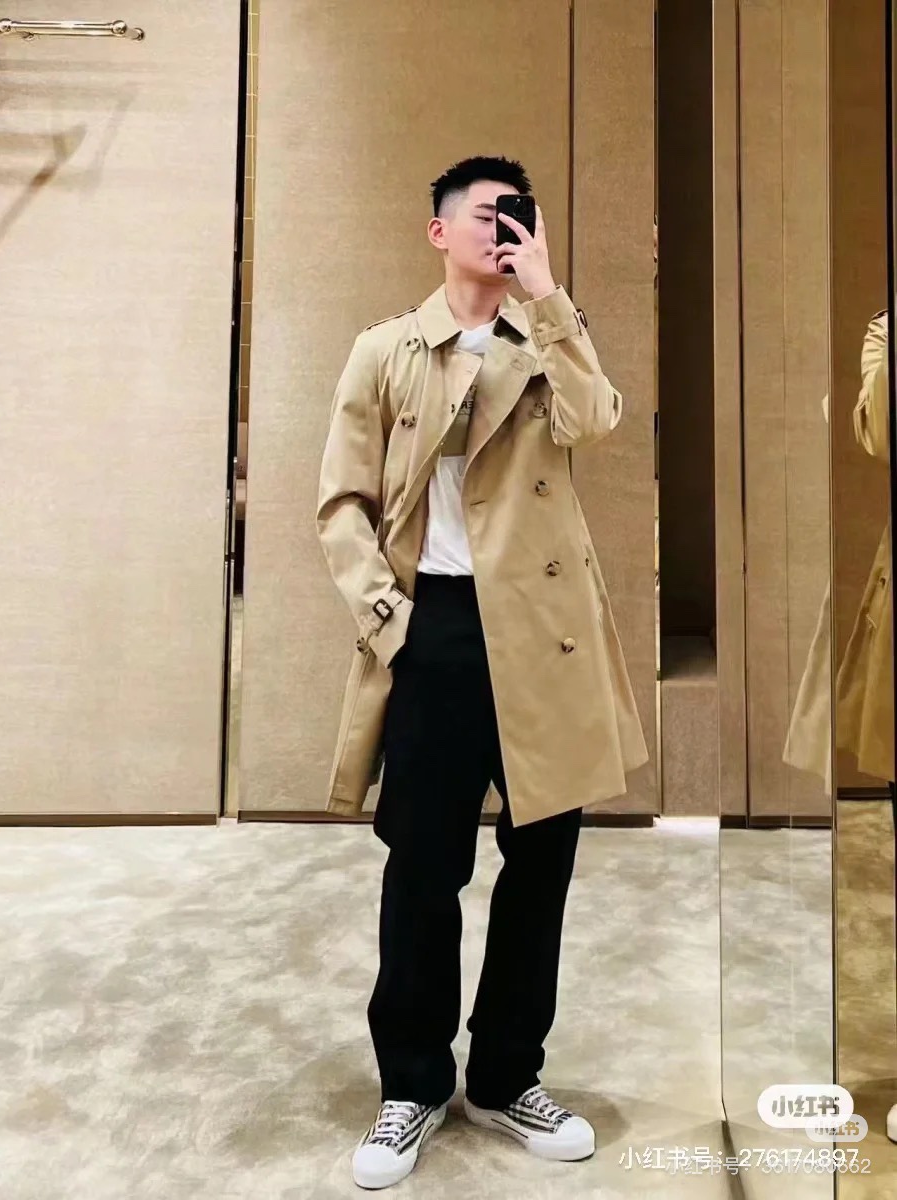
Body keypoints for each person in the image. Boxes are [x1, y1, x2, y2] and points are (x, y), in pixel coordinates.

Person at [316, 155, 647, 1190]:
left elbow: (597, 420)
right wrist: (391, 621)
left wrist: (548, 297)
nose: (505, 232)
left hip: (544, 634)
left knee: (540, 867)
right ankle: (412, 1085)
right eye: (488, 216)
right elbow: (342, 503)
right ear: (440, 232)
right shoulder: (385, 351)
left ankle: (507, 1077)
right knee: (423, 868)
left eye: (519, 217)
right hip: (436, 629)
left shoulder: (546, 336)